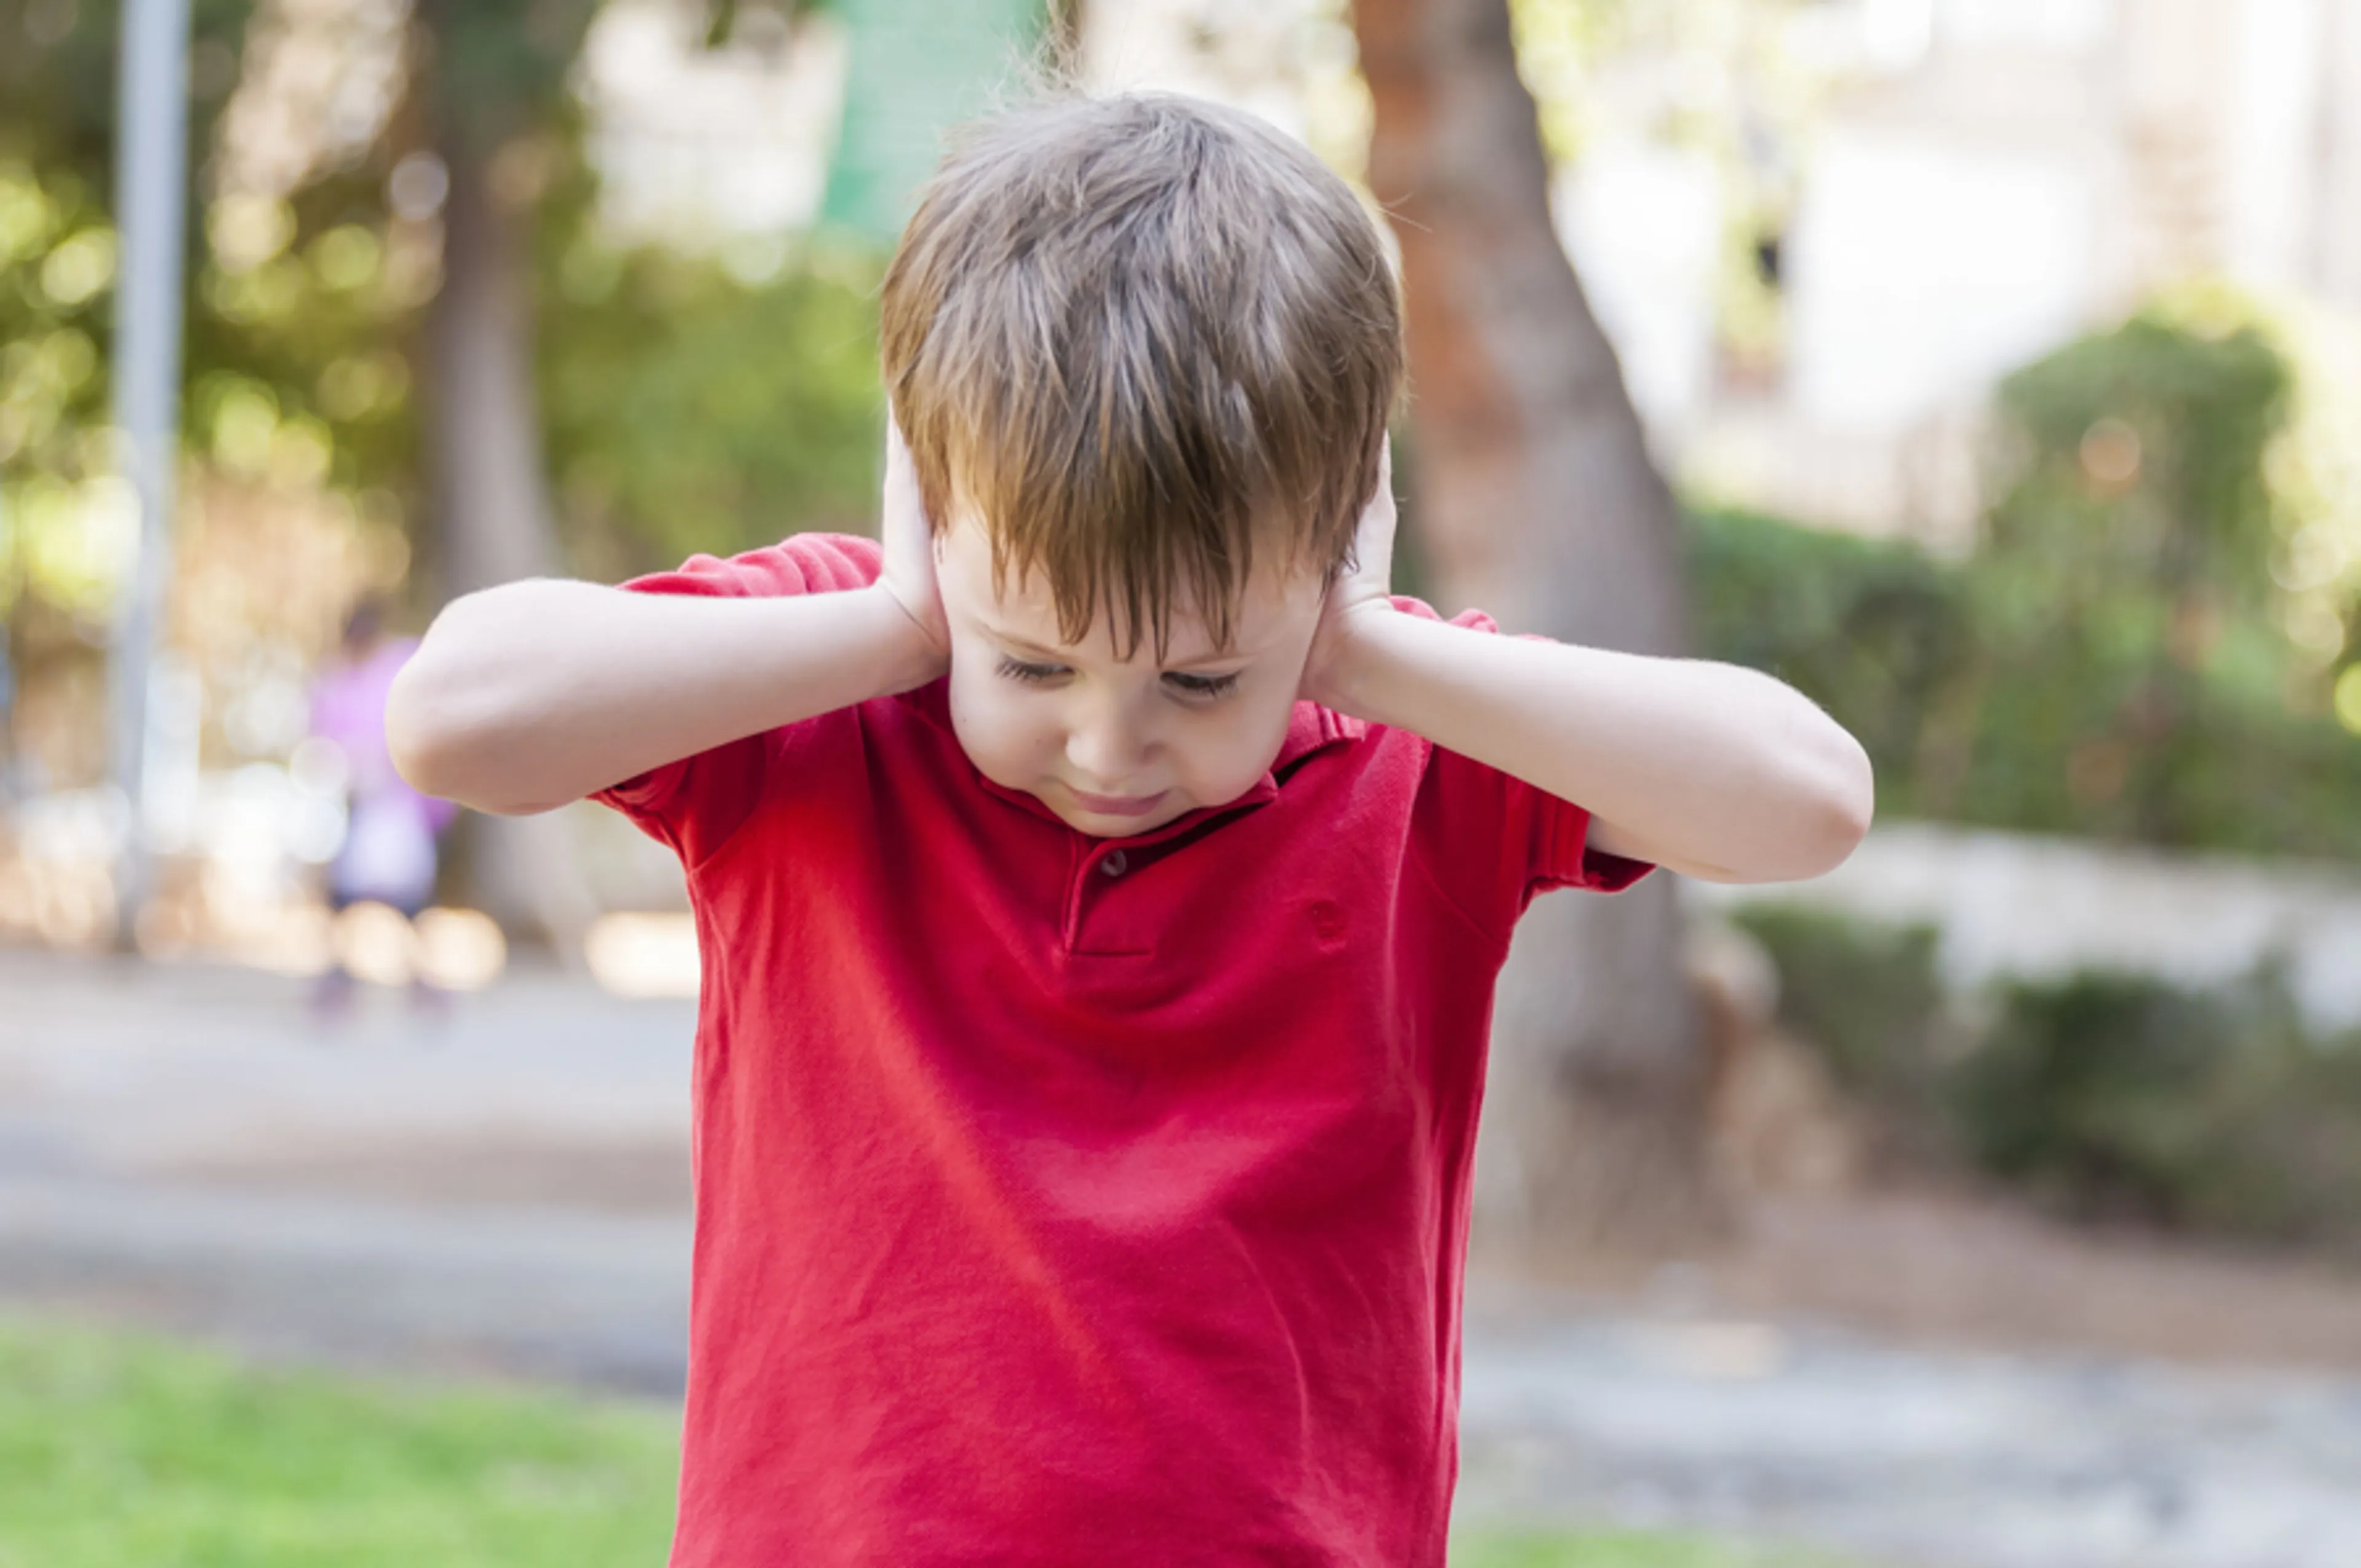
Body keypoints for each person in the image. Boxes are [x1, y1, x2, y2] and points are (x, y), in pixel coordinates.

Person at [387, 93, 1873, 1567]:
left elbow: (1806, 798)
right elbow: (455, 713)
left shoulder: (1411, 765)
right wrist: (903, 620)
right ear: (927, 506)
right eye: (1032, 662)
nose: (1109, 742)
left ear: (1339, 539)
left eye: (1200, 677)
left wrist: (1358, 653)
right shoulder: (817, 698)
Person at [309, 596, 457, 1018]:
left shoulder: (401, 666)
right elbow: (322, 739)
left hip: (402, 805)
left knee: (409, 899)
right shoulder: (334, 678)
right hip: (354, 803)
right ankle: (338, 978)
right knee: (344, 898)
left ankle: (421, 980)